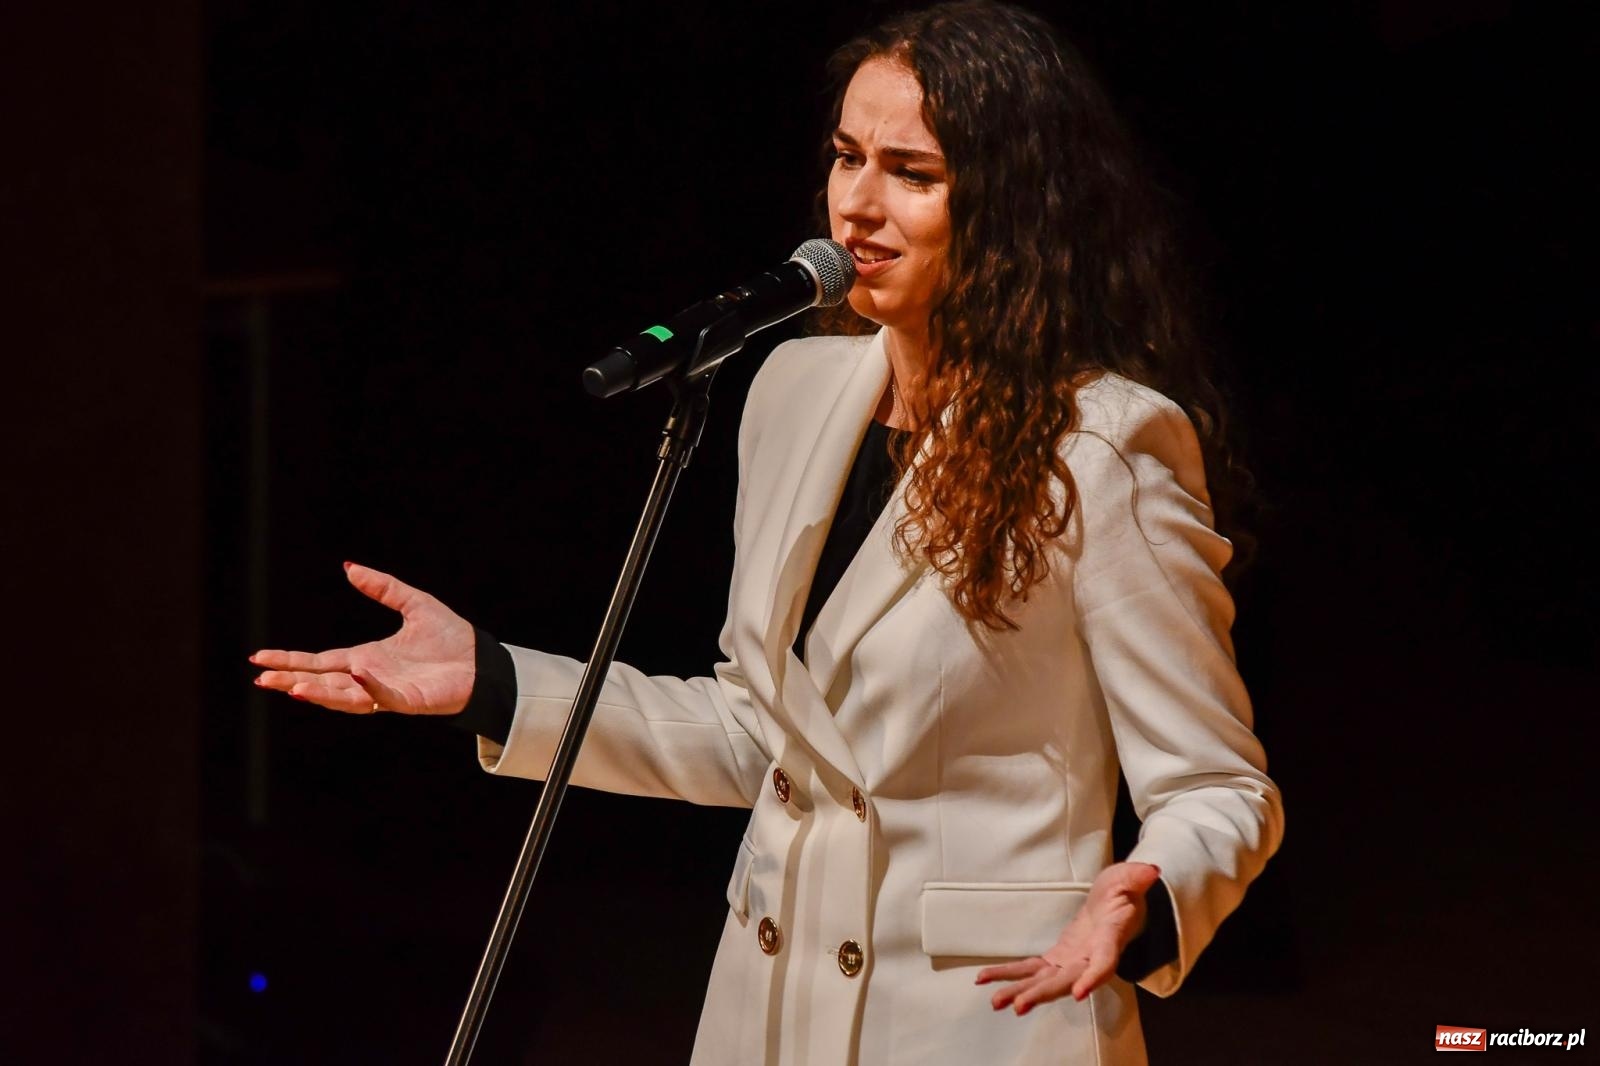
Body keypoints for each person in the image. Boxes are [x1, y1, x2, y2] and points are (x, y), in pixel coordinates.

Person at [251, 3, 1284, 1063]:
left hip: (981, 1019)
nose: (858, 207)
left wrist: (1147, 896)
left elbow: (1215, 785)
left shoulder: (1102, 447)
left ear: (1016, 206)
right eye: (846, 158)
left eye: (912, 173)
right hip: (766, 1007)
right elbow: (762, 732)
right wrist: (494, 680)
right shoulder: (792, 388)